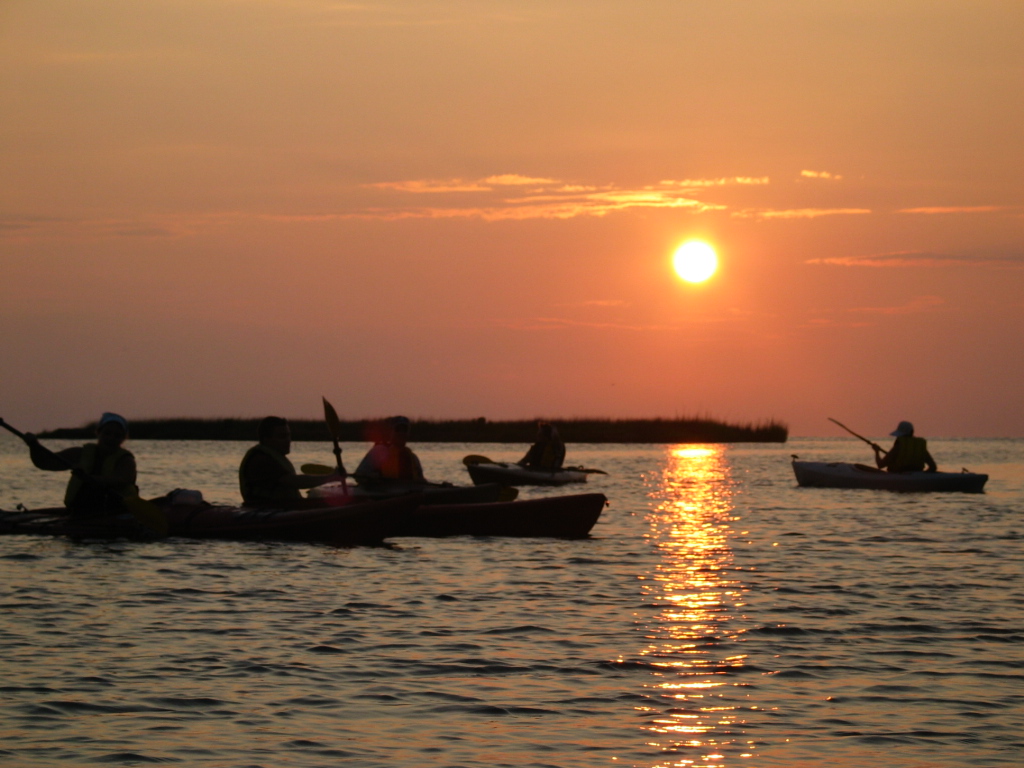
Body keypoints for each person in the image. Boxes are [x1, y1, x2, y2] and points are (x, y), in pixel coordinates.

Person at [26, 412, 139, 517]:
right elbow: (44, 462)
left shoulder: (126, 461)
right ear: (98, 433)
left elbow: (121, 480)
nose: (111, 438)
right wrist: (34, 446)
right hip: (80, 513)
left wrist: (87, 477)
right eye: (107, 433)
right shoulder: (79, 454)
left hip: (115, 513)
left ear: (123, 438)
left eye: (117, 435)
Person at [239, 416, 343, 506]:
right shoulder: (261, 460)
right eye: (282, 436)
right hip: (266, 509)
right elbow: (294, 481)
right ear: (266, 439)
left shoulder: (274, 457)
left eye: (288, 435)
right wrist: (331, 477)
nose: (288, 440)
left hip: (284, 507)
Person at [355, 416, 425, 484]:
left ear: (408, 433)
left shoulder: (413, 458)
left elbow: (421, 481)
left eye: (404, 430)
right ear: (390, 432)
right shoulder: (378, 452)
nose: (401, 433)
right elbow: (359, 475)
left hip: (407, 490)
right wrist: (372, 477)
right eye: (397, 430)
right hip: (381, 490)